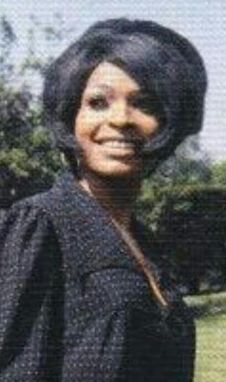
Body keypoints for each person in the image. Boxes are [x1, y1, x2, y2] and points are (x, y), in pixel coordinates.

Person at [0, 18, 207, 381]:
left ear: (169, 121)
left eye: (144, 104)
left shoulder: (145, 246)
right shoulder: (40, 228)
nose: (121, 119)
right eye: (98, 102)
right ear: (71, 117)